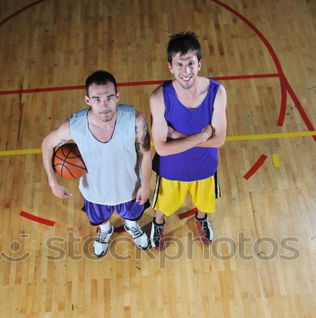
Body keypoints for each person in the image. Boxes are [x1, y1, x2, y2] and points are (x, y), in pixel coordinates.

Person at [42, 70, 152, 257]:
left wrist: (146, 184)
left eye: (109, 97)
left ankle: (131, 225)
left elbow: (146, 152)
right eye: (97, 99)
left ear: (117, 96)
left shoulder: (135, 120)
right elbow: (47, 144)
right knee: (100, 218)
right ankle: (105, 230)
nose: (104, 105)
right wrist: (53, 182)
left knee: (132, 215)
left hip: (130, 188)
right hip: (95, 192)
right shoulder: (75, 126)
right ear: (87, 100)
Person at [149, 32, 227, 249]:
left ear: (199, 63)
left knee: (203, 203)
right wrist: (202, 136)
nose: (186, 71)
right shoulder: (158, 97)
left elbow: (219, 139)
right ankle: (158, 223)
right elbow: (163, 149)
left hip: (205, 165)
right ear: (170, 67)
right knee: (163, 205)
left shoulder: (217, 92)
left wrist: (180, 137)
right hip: (172, 167)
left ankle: (201, 219)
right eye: (180, 64)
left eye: (191, 63)